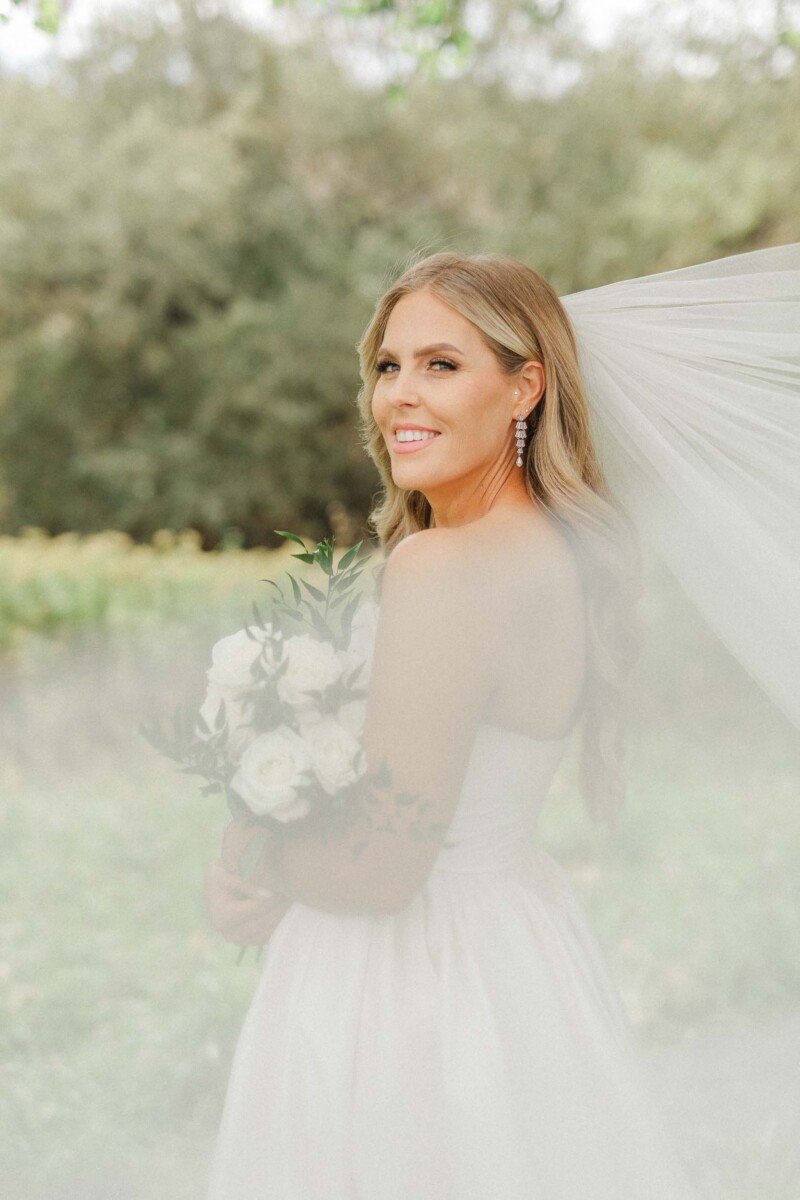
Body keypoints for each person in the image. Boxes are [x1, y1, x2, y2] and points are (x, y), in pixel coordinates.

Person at [201, 250, 704, 1199]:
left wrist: (254, 855)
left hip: (410, 984)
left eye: (442, 364)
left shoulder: (443, 568)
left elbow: (383, 868)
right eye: (388, 366)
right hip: (516, 952)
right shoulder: (557, 551)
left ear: (525, 388)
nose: (400, 396)